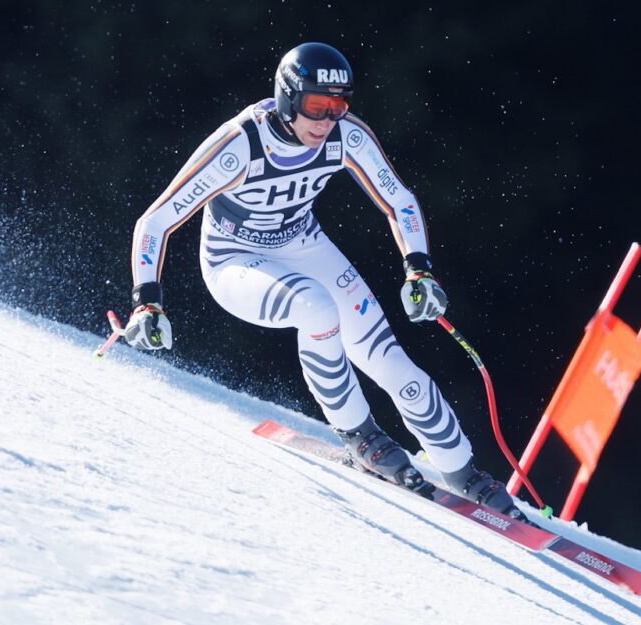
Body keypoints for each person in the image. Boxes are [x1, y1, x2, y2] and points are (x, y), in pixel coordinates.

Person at [124, 42, 526, 520]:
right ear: (288, 97)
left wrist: (418, 268)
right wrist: (147, 301)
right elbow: (155, 221)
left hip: (303, 245)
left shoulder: (345, 138)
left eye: (338, 107)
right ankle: (361, 435)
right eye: (317, 106)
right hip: (235, 261)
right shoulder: (240, 144)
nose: (327, 121)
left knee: (395, 365)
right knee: (315, 307)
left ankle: (465, 473)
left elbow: (399, 200)